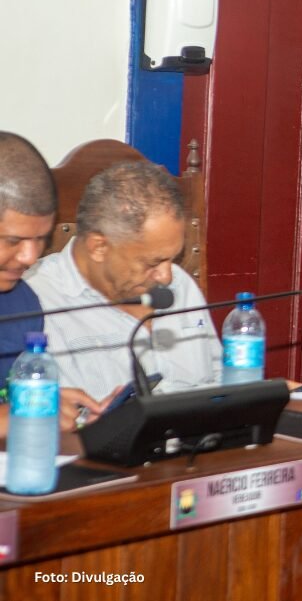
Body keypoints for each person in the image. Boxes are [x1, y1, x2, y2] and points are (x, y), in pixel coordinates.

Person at [27, 161, 222, 401]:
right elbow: (54, 415)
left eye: (174, 258)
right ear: (99, 247)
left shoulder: (180, 284)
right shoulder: (36, 302)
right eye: (153, 263)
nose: (167, 276)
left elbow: (220, 381)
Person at [0, 132, 105, 432]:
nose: (30, 257)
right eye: (13, 241)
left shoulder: (23, 302)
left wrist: (44, 403)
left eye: (42, 239)